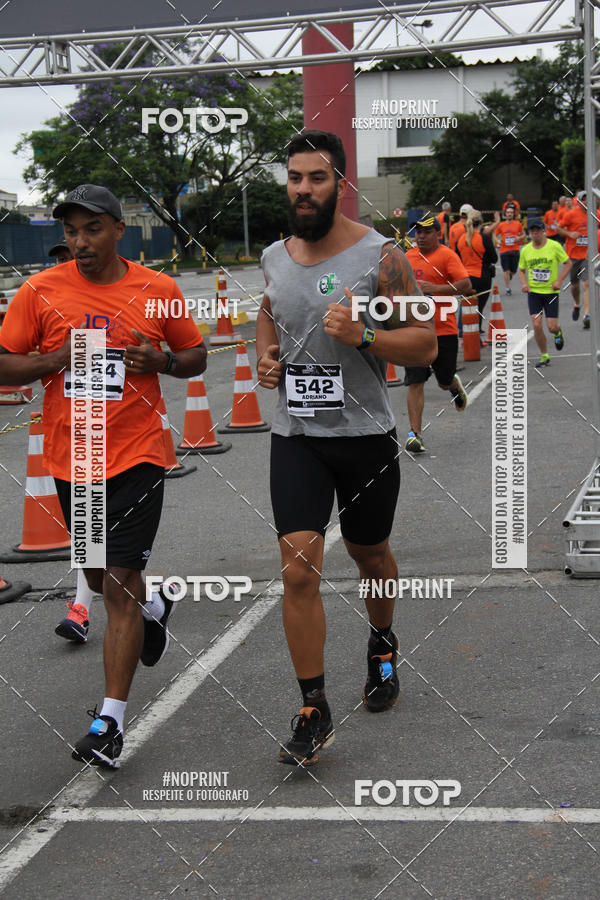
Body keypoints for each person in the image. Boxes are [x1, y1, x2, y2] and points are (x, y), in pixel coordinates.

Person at [0, 184, 206, 769]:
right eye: (70, 231)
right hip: (76, 460)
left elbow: (195, 355)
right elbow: (4, 363)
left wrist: (162, 360)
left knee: (116, 584)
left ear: (119, 229)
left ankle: (109, 723)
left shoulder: (158, 290)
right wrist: (54, 359)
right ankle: (154, 606)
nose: (80, 241)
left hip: (138, 456)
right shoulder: (39, 291)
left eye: (92, 229)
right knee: (95, 574)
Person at [256, 131, 436, 766]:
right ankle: (314, 707)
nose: (303, 189)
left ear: (340, 182)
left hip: (364, 437)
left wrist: (365, 336)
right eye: (294, 178)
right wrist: (266, 354)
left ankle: (382, 644)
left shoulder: (381, 256)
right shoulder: (274, 255)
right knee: (297, 568)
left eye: (317, 177)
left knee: (369, 553)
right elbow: (270, 312)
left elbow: (424, 344)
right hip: (297, 436)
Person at [404, 215, 473, 453]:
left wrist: (436, 289)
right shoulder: (408, 257)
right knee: (415, 381)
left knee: (443, 380)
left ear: (437, 234)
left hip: (443, 329)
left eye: (426, 232)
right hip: (414, 329)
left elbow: (465, 284)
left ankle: (453, 386)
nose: (421, 236)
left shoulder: (447, 256)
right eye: (418, 232)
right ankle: (415, 434)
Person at [518, 218, 572, 367]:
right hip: (534, 293)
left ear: (543, 231)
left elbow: (568, 263)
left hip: (551, 293)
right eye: (532, 231)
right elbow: (521, 270)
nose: (535, 233)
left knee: (551, 327)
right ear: (529, 233)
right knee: (536, 325)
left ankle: (558, 333)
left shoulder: (554, 246)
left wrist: (559, 281)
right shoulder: (526, 250)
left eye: (537, 230)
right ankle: (544, 355)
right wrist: (524, 284)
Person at [456, 210, 497, 346]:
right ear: (481, 222)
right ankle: (475, 338)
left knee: (468, 308)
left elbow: (457, 258)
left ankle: (467, 336)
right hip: (481, 277)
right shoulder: (483, 238)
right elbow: (494, 258)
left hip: (465, 278)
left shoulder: (461, 239)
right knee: (478, 308)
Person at [556, 189, 592, 328]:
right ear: (579, 201)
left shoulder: (594, 214)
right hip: (573, 256)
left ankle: (587, 315)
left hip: (587, 256)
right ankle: (577, 304)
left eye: (588, 199)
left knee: (587, 283)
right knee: (574, 286)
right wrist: (570, 234)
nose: (586, 201)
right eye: (583, 199)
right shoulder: (571, 215)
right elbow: (558, 228)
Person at [488, 205, 525, 294]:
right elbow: (494, 234)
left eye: (511, 212)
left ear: (513, 214)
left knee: (513, 270)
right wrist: (497, 241)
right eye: (508, 212)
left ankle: (510, 275)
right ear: (505, 214)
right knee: (506, 270)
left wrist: (519, 238)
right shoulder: (501, 225)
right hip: (504, 251)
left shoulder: (518, 224)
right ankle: (508, 288)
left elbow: (523, 234)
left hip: (515, 250)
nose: (509, 214)